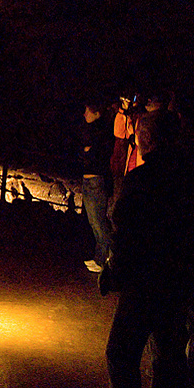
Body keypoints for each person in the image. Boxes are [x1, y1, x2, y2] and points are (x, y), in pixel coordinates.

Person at [104, 110, 194, 388]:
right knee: (168, 353)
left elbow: (124, 233)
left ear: (146, 139)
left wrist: (114, 271)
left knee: (121, 353)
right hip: (179, 279)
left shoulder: (140, 179)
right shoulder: (191, 177)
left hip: (144, 282)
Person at [79, 99, 114, 273]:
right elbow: (82, 151)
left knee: (99, 222)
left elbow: (94, 153)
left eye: (88, 110)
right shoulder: (89, 130)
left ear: (97, 113)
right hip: (88, 179)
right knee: (94, 222)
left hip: (96, 180)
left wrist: (88, 151)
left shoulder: (102, 132)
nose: (85, 114)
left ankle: (106, 259)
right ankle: (99, 257)